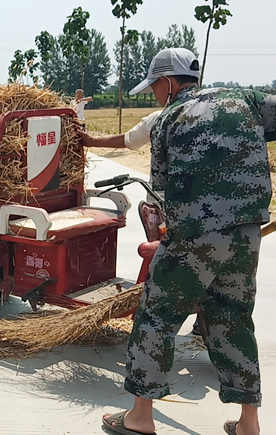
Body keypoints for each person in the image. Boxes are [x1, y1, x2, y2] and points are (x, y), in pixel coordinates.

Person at [102, 48, 274, 435]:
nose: (155, 96)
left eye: (154, 89)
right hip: (246, 235)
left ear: (166, 82)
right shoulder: (245, 98)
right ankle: (249, 424)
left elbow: (161, 193)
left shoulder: (168, 119)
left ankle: (141, 418)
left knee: (156, 316)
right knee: (233, 320)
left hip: (194, 236)